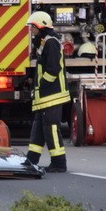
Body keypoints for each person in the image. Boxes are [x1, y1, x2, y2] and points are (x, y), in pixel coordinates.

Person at [24, 11, 70, 173]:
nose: (31, 30)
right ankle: (32, 159)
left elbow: (53, 69)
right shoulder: (45, 42)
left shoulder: (51, 43)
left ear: (40, 26)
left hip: (52, 95)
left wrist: (42, 84)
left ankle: (59, 163)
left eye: (32, 27)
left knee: (50, 129)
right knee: (39, 128)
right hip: (45, 97)